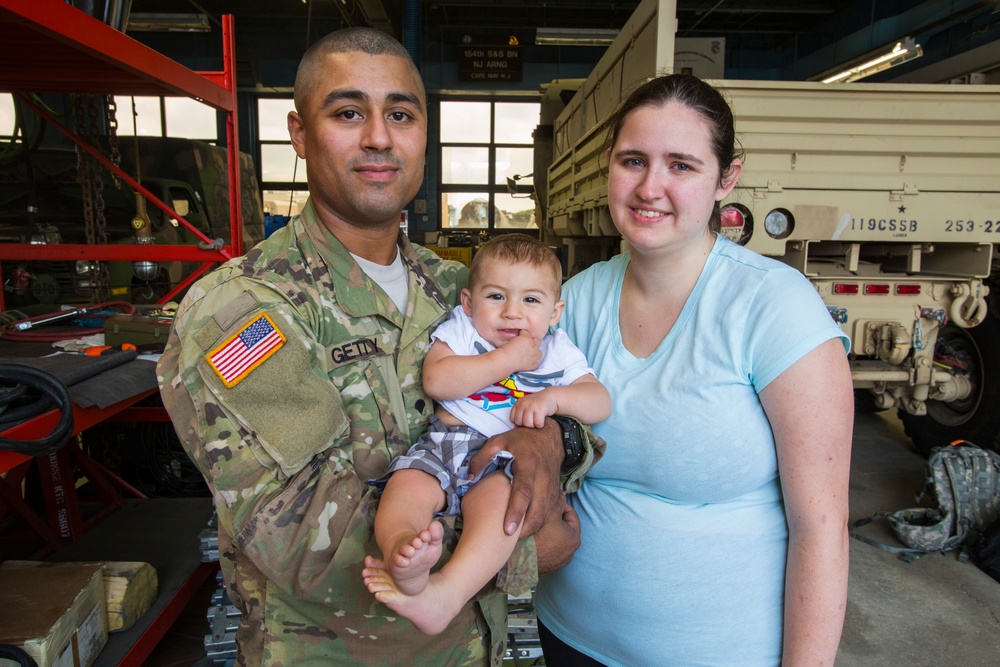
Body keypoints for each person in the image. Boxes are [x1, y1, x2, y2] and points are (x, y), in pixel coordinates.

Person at [156, 28, 602, 666]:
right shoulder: (244, 312)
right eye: (346, 113)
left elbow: (568, 404)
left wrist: (548, 438)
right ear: (300, 133)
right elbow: (302, 537)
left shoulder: (462, 288)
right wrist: (524, 547)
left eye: (400, 114)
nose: (378, 137)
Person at [529, 73, 854, 666]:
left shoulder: (772, 305)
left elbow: (823, 527)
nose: (650, 187)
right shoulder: (573, 302)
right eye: (633, 161)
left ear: (725, 179)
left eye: (681, 165)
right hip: (570, 639)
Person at [361, 234, 612, 635]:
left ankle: (447, 591)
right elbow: (438, 379)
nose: (512, 312)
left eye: (531, 300)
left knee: (500, 509)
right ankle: (404, 553)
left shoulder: (557, 349)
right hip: (445, 440)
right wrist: (504, 360)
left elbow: (600, 402)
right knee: (406, 486)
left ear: (554, 312)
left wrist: (554, 399)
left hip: (500, 459)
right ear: (468, 303)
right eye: (496, 297)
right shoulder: (462, 330)